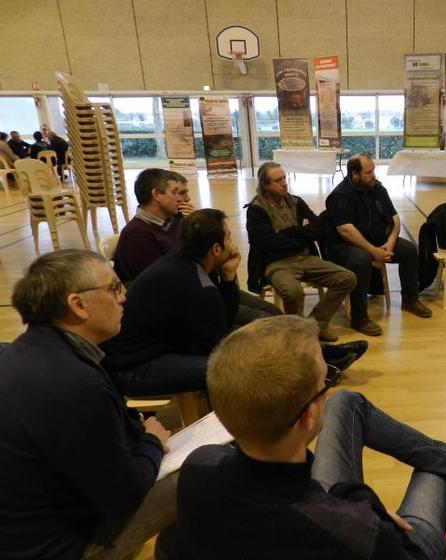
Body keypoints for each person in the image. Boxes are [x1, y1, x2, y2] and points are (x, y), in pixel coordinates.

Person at [173, 315, 446, 559]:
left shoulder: (196, 466)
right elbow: (368, 536)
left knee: (347, 403)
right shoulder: (355, 532)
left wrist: (355, 511)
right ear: (308, 415)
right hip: (394, 546)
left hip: (320, 506)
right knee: (434, 468)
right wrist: (365, 507)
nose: (328, 388)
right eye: (326, 381)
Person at [0, 249, 173, 559]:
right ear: (77, 305)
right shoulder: (75, 382)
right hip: (62, 546)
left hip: (22, 534)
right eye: (114, 288)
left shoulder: (23, 350)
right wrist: (152, 441)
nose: (123, 298)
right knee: (199, 472)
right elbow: (123, 496)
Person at [103, 208, 243, 397]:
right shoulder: (198, 287)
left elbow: (219, 322)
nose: (232, 244)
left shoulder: (181, 259)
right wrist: (228, 278)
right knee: (229, 367)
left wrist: (227, 276)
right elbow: (216, 344)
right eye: (228, 238)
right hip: (131, 368)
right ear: (216, 249)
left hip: (142, 351)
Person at [113, 169, 280, 326]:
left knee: (274, 312)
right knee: (268, 323)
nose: (181, 199)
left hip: (209, 288)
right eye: (175, 193)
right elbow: (163, 289)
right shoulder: (137, 236)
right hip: (187, 306)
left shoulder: (175, 222)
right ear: (157, 194)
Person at [246, 162, 356, 342]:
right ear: (265, 185)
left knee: (347, 278)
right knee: (292, 291)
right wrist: (301, 234)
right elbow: (268, 243)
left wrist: (291, 234)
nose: (284, 183)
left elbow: (318, 228)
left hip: (305, 257)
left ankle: (316, 324)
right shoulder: (256, 210)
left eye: (284, 178)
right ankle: (296, 334)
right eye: (277, 180)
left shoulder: (295, 202)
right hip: (277, 264)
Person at [326, 154, 432, 336]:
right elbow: (346, 230)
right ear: (354, 174)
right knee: (361, 259)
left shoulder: (377, 188)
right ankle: (359, 318)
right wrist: (373, 251)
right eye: (368, 172)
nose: (373, 175)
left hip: (377, 242)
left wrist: (389, 245)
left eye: (373, 170)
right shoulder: (339, 196)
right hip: (345, 247)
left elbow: (395, 219)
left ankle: (410, 299)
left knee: (408, 250)